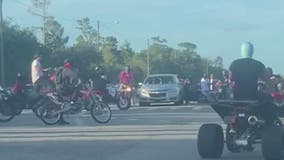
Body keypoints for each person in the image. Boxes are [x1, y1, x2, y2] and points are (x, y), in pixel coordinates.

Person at [229, 41, 276, 124]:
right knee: (269, 104)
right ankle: (268, 126)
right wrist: (273, 90)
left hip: (237, 97)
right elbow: (267, 80)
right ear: (252, 51)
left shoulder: (234, 64)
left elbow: (230, 79)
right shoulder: (258, 64)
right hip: (253, 97)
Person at [55, 59, 79, 125]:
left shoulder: (60, 69)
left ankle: (61, 119)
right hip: (63, 88)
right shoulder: (67, 70)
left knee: (61, 103)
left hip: (58, 87)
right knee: (76, 89)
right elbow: (73, 79)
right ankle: (72, 102)